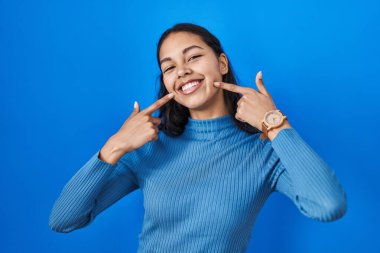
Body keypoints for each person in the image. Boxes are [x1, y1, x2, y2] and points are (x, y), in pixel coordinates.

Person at [49, 23, 347, 252]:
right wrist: (114, 147)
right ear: (166, 83)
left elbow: (328, 205)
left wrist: (275, 125)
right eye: (169, 67)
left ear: (222, 63)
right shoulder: (150, 149)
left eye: (193, 57)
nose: (182, 71)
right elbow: (64, 220)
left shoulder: (264, 152)